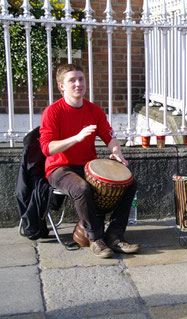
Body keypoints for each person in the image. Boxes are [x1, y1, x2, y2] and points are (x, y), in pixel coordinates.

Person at [40, 63, 140, 258]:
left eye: (81, 79)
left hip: (87, 166)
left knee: (129, 183)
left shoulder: (94, 111)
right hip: (59, 169)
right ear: (62, 86)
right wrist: (76, 138)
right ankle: (95, 238)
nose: (78, 84)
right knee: (81, 188)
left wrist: (116, 151)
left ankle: (115, 235)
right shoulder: (52, 112)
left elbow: (109, 136)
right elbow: (47, 148)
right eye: (72, 80)